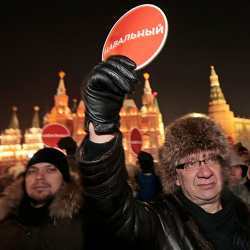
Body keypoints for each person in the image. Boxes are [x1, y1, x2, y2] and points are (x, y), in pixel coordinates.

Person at [78, 55, 250, 250]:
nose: (205, 171)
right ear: (175, 176)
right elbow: (113, 210)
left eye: (210, 158)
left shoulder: (243, 213)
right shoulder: (158, 223)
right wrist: (103, 129)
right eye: (190, 163)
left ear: (223, 166)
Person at [0, 147, 85, 250]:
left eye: (50, 170)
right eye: (32, 171)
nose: (39, 176)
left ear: (64, 180)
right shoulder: (6, 216)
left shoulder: (81, 222)